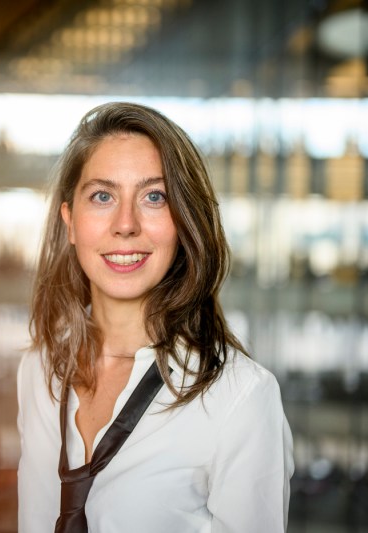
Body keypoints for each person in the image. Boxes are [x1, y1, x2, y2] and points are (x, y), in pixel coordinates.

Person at [17, 102, 293, 533]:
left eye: (154, 196)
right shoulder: (38, 370)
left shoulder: (240, 398)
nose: (125, 224)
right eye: (103, 196)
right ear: (70, 220)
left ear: (184, 222)